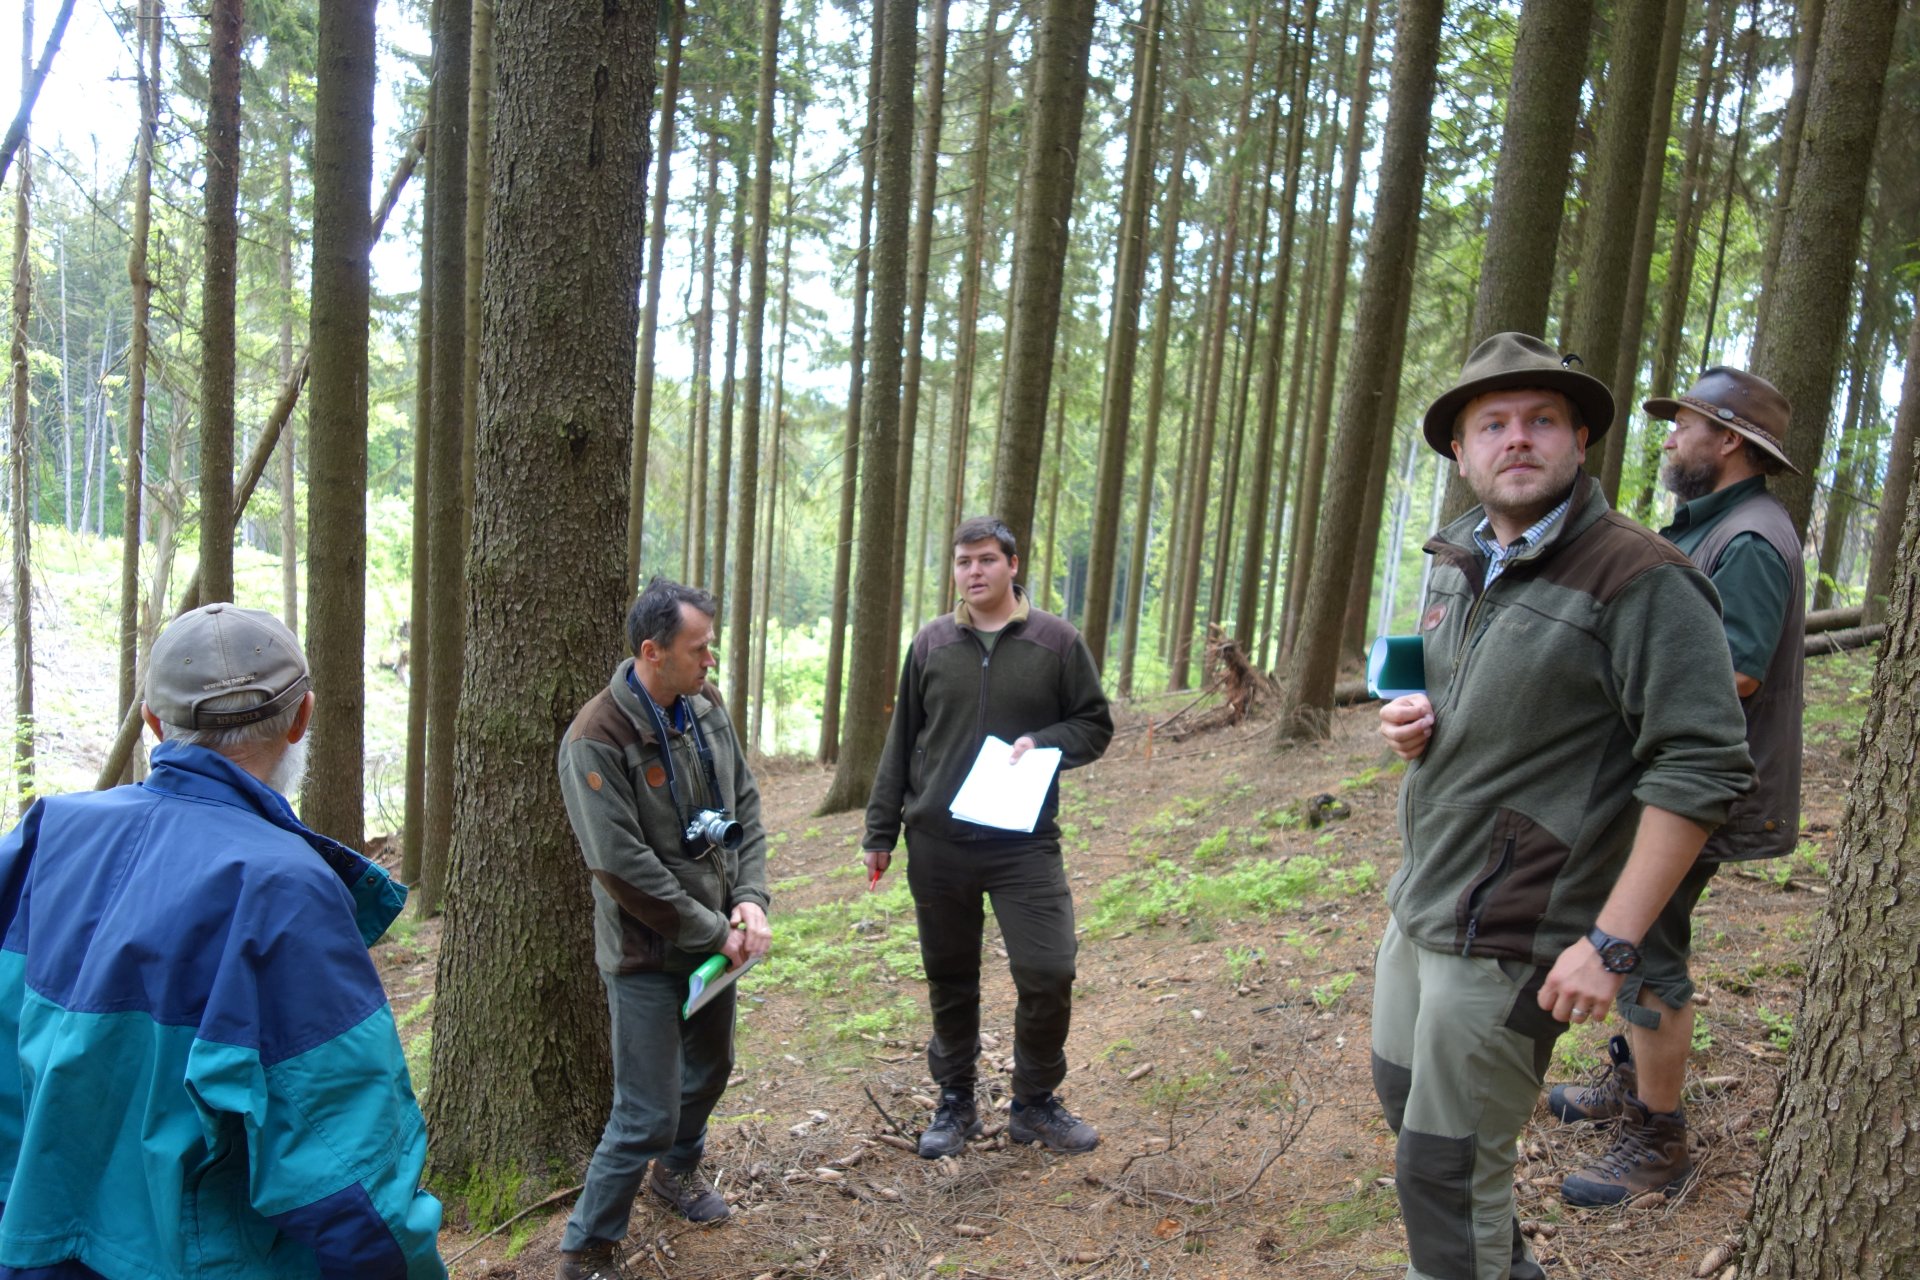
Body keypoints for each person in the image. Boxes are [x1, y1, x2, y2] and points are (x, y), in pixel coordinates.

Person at [1373, 333, 1753, 1280]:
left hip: (1516, 926)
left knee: (1446, 1178)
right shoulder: (1458, 554)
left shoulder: (1642, 579)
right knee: (1410, 1108)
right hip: (1424, 902)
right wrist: (1418, 719)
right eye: (1492, 424)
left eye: (1541, 419)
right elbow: (1470, 691)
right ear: (1460, 450)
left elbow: (1702, 764)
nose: (1517, 438)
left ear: (1580, 440)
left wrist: (1613, 942)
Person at [0, 603, 445, 1279]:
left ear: (154, 722)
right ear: (302, 718)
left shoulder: (48, 835)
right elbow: (353, 1184)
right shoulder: (285, 890)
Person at [1548, 368, 1803, 1207]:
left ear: (1727, 440)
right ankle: (1632, 1082)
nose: (1668, 437)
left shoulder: (1750, 540)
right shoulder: (1716, 526)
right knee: (1639, 938)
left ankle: (1659, 1141)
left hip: (1697, 788)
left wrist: (1612, 689)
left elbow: (1735, 674)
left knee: (1646, 950)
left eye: (1683, 424)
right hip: (1670, 775)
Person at [863, 517, 1113, 1159]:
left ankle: (1035, 1104)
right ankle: (956, 1103)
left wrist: (1043, 742)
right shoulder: (931, 643)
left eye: (986, 560)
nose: (973, 572)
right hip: (938, 842)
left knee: (1049, 969)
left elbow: (1094, 724)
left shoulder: (1056, 642)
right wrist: (880, 829)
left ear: (1012, 565)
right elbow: (901, 739)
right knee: (950, 977)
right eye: (963, 562)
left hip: (1023, 843)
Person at [554, 579, 771, 1280]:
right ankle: (588, 1248)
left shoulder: (706, 706)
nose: (711, 659)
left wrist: (751, 898)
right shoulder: (596, 738)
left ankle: (676, 1173)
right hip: (646, 953)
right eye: (699, 648)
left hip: (714, 940)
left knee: (711, 1069)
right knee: (644, 1113)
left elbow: (743, 804)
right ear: (653, 652)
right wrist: (714, 931)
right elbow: (620, 865)